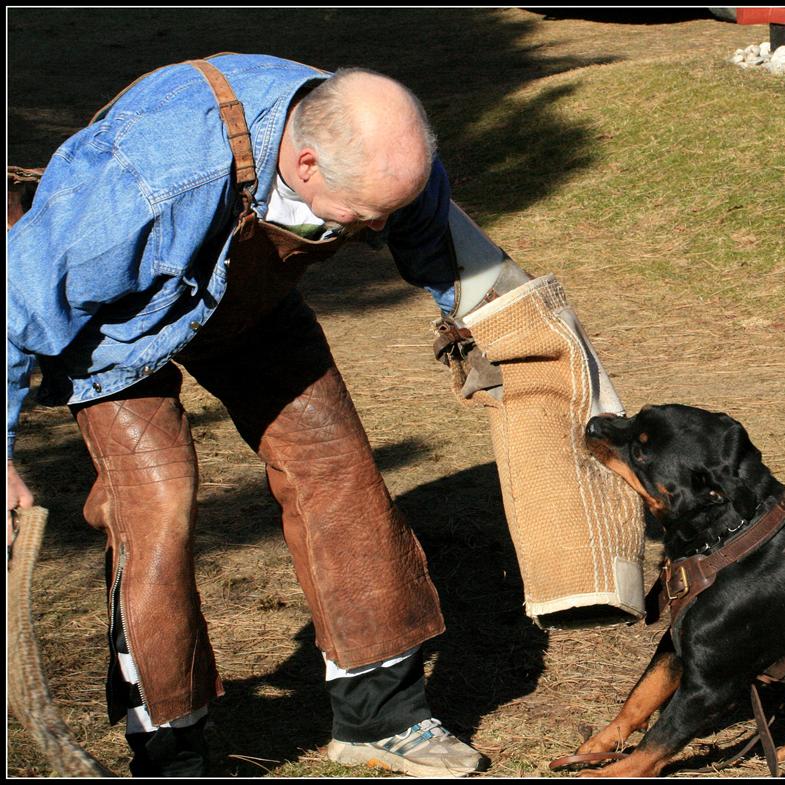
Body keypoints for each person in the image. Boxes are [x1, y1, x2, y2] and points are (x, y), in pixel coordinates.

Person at [7, 54, 493, 777]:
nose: (376, 228)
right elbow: (19, 303)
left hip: (248, 305)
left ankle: (381, 713)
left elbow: (430, 240)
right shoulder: (147, 182)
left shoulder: (386, 152)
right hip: (116, 326)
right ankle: (173, 747)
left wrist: (473, 320)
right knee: (156, 503)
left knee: (339, 466)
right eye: (363, 216)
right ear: (303, 164)